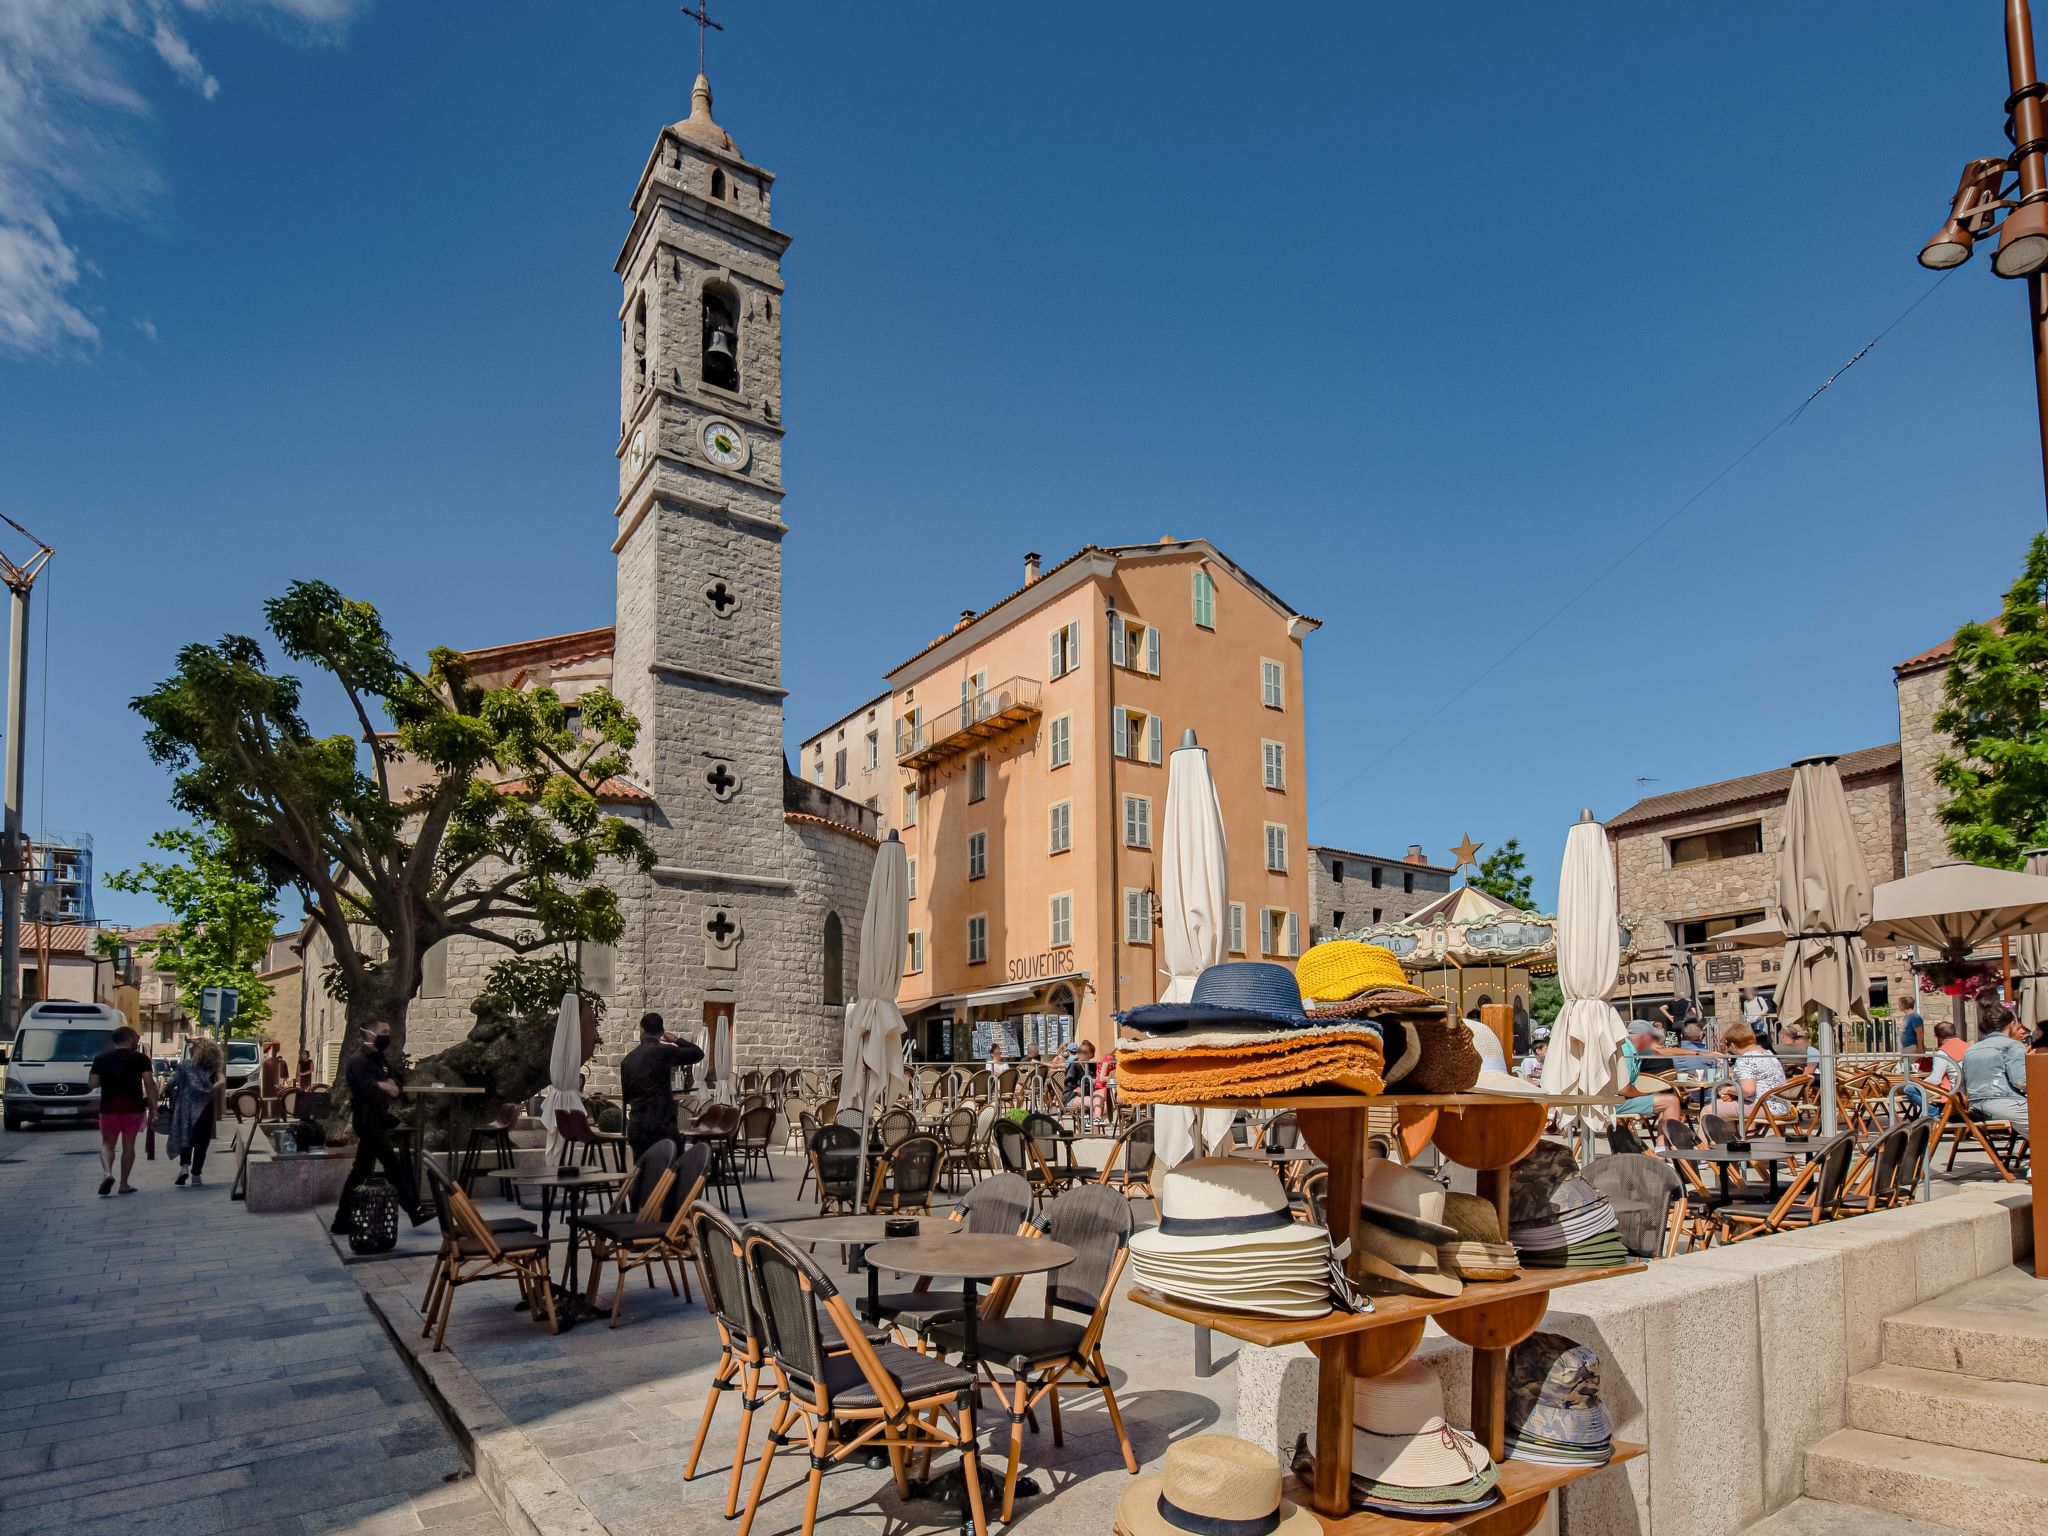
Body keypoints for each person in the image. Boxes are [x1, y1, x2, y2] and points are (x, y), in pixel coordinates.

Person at [332, 1020, 427, 1234]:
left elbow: (395, 1084)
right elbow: (366, 1088)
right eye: (383, 1031)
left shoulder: (380, 1060)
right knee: (392, 1167)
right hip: (367, 1121)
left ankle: (341, 1221)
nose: (387, 1035)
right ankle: (415, 1210)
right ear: (369, 1034)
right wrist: (382, 1086)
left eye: (389, 1031)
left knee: (361, 1171)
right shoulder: (358, 1061)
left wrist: (391, 1087)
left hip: (377, 1119)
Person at [618, 1011, 705, 1159]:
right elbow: (698, 1053)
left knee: (642, 1175)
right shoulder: (664, 1051)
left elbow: (627, 1097)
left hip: (637, 1126)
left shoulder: (628, 1060)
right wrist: (676, 1039)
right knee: (671, 1174)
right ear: (662, 1032)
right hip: (661, 1126)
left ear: (642, 1031)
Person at [88, 1025, 157, 1197]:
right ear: (128, 1038)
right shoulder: (141, 1059)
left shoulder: (101, 1058)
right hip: (133, 1108)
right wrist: (154, 1105)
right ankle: (124, 1184)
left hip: (109, 1107)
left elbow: (92, 1084)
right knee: (129, 1147)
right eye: (136, 1036)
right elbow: (149, 1083)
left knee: (107, 1144)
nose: (138, 1039)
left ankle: (107, 1174)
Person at [1959, 1008, 2031, 1139]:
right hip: (2006, 1103)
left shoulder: (1972, 1049)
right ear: (2012, 1024)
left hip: (1976, 1106)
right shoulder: (2013, 1046)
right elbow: (2021, 1081)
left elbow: (1962, 1085)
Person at [169, 1039, 225, 1186]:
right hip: (204, 1109)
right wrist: (211, 1089)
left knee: (185, 1137)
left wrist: (164, 1091)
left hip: (186, 1109)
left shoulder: (185, 1065)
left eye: (193, 1048)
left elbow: (172, 1082)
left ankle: (184, 1167)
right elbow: (222, 1081)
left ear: (197, 1051)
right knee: (202, 1142)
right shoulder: (213, 1067)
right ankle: (196, 1175)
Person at [1713, 1021, 1790, 1127]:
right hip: (1781, 1105)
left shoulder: (1746, 1059)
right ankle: (1732, 1140)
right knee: (1725, 1107)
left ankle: (1705, 1143)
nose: (1728, 1049)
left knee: (1709, 1109)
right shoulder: (1768, 1053)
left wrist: (1728, 1089)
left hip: (1764, 1107)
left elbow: (1747, 1090)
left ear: (1733, 1045)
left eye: (1727, 1045)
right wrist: (1734, 1094)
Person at [1617, 1020, 1683, 1125]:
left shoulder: (1633, 1049)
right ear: (1645, 1037)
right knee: (1671, 1101)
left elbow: (1664, 1051)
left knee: (1666, 1102)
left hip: (1618, 1100)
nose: (1653, 1044)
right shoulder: (1626, 1052)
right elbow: (1624, 1089)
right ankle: (1672, 1141)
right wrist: (1644, 1095)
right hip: (1615, 1103)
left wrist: (1698, 1053)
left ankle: (1663, 1141)